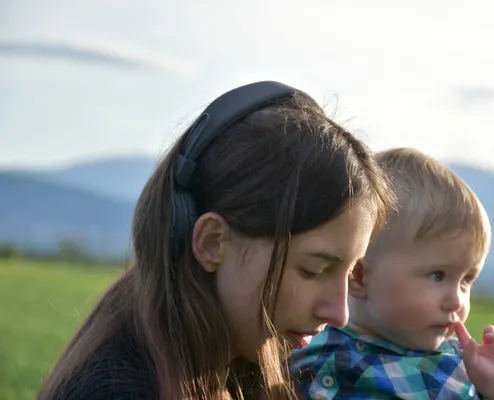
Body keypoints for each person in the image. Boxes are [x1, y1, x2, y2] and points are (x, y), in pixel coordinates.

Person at [36, 81, 396, 400]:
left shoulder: (246, 364)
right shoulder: (119, 389)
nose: (339, 313)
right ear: (211, 243)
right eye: (314, 270)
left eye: (349, 276)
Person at [289, 147, 494, 399]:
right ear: (359, 276)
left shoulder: (467, 370)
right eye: (437, 276)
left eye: (466, 280)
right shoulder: (304, 350)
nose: (456, 301)